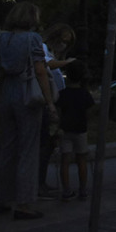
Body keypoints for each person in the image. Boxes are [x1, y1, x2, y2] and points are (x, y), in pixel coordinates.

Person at [0, 2, 57, 220]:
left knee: (6, 147)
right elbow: (40, 71)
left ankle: (1, 198)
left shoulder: (3, 38)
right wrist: (49, 102)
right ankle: (24, 203)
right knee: (28, 149)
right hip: (26, 92)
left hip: (7, 92)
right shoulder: (32, 39)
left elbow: (0, 68)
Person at [38, 23, 76, 199]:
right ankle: (39, 183)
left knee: (50, 143)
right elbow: (48, 65)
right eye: (63, 41)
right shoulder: (44, 49)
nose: (64, 45)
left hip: (56, 102)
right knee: (45, 143)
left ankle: (41, 181)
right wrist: (67, 63)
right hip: (48, 104)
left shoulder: (52, 52)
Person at [55, 60, 94, 201]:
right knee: (81, 159)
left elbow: (59, 112)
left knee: (65, 160)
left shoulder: (62, 94)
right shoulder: (85, 94)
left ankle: (66, 190)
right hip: (80, 129)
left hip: (65, 130)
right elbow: (89, 113)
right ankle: (82, 189)